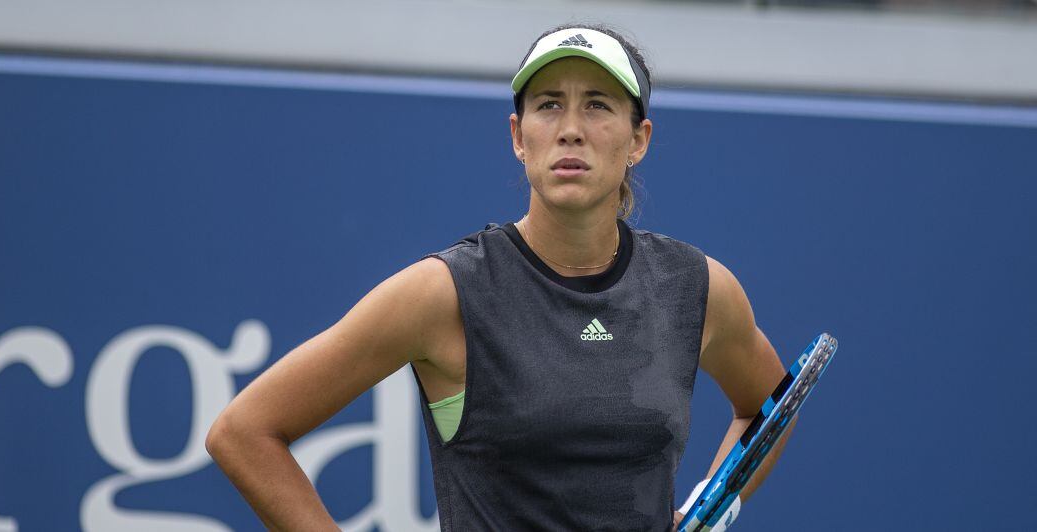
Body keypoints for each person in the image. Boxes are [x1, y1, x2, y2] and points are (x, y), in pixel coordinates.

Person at [206, 24, 792, 531]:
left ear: (638, 139)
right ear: (519, 136)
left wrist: (712, 511)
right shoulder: (443, 293)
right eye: (548, 105)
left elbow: (770, 405)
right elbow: (244, 432)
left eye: (597, 104)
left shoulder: (698, 287)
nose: (570, 129)